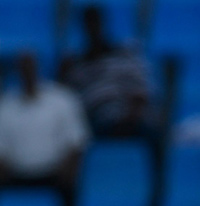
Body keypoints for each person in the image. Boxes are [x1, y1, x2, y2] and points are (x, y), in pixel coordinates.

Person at [0, 52, 89, 206]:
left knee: (72, 190)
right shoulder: (3, 106)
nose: (27, 72)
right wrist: (0, 171)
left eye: (30, 67)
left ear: (38, 69)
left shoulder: (62, 99)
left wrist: (68, 170)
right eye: (23, 68)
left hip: (54, 175)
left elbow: (77, 143)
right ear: (17, 72)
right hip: (15, 175)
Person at [60, 5, 157, 140]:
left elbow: (141, 91)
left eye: (96, 22)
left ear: (102, 24)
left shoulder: (125, 54)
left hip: (132, 117)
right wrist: (62, 75)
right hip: (96, 122)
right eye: (88, 23)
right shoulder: (76, 65)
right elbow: (65, 101)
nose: (92, 28)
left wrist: (130, 117)